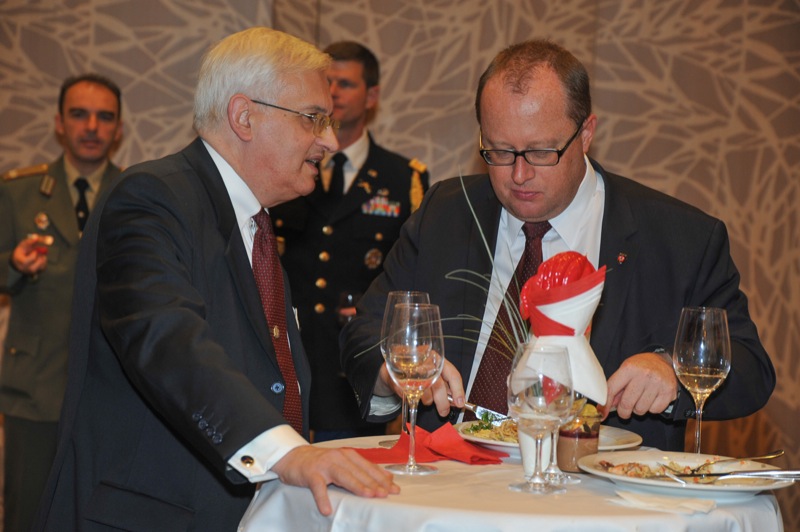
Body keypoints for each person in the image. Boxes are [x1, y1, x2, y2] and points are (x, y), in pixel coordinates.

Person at [34, 27, 397, 531]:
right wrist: (285, 453)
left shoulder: (257, 222)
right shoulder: (152, 197)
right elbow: (167, 340)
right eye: (314, 118)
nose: (330, 141)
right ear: (244, 116)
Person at [340, 39, 775, 452]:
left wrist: (671, 370)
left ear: (586, 134)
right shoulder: (446, 212)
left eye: (541, 152)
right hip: (454, 477)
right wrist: (395, 367)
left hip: (598, 489)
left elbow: (750, 366)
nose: (519, 175)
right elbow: (367, 329)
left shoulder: (680, 237)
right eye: (499, 151)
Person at [270, 41, 429, 442]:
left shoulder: (402, 179)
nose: (334, 92)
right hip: (285, 360)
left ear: (372, 96)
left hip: (350, 374)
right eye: (327, 82)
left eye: (346, 83)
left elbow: (411, 278)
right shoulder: (285, 168)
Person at [0, 72, 123, 532]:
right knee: (27, 514)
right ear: (58, 123)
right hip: (35, 389)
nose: (91, 126)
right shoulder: (17, 191)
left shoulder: (137, 193)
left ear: (119, 129)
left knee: (100, 517)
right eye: (79, 114)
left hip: (111, 391)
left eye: (104, 117)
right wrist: (13, 264)